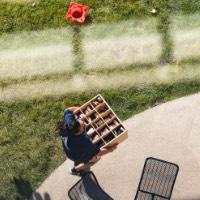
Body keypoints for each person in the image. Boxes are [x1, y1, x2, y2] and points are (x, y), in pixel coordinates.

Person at [57, 106, 118, 176]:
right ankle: (75, 170)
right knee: (96, 159)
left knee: (82, 155)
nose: (83, 123)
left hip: (69, 148)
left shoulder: (69, 124)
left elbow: (68, 110)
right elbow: (98, 152)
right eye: (82, 126)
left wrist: (80, 109)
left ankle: (76, 163)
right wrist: (111, 149)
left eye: (79, 121)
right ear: (78, 132)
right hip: (75, 155)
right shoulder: (84, 143)